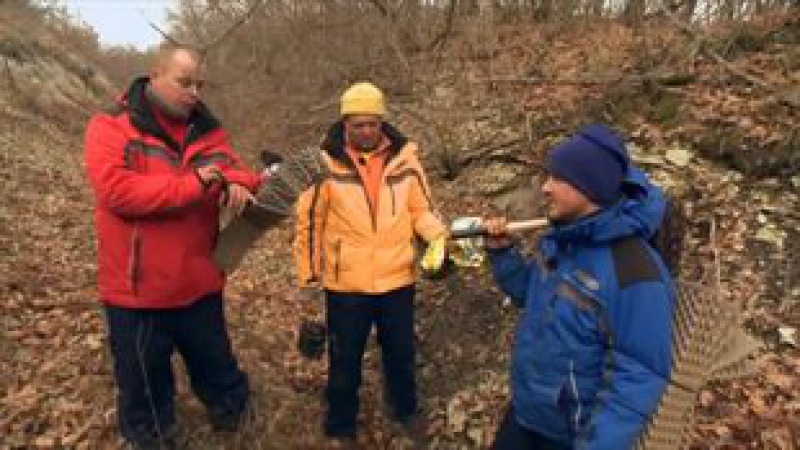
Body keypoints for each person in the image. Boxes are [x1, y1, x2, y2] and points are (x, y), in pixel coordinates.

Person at [84, 44, 262, 449]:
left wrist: (239, 182)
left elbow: (238, 169)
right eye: (185, 82)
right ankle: (153, 439)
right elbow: (118, 192)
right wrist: (196, 183)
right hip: (137, 294)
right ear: (155, 75)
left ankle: (238, 421)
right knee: (144, 388)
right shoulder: (111, 126)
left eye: (200, 84)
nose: (195, 92)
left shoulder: (208, 129)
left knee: (219, 370)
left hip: (200, 282)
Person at [483, 124, 675, 450]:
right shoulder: (563, 239)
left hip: (572, 434)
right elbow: (532, 294)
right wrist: (503, 255)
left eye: (557, 179)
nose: (545, 188)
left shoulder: (635, 271)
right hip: (528, 412)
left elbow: (640, 375)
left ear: (590, 189)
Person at [293, 82, 447, 448]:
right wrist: (310, 276)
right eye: (358, 124)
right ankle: (340, 424)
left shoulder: (407, 162)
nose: (366, 131)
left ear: (382, 122)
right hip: (346, 285)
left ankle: (406, 411)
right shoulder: (323, 165)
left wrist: (438, 237)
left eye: (373, 123)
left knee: (401, 355)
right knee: (344, 362)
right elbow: (309, 224)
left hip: (398, 279)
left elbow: (421, 211)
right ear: (345, 123)